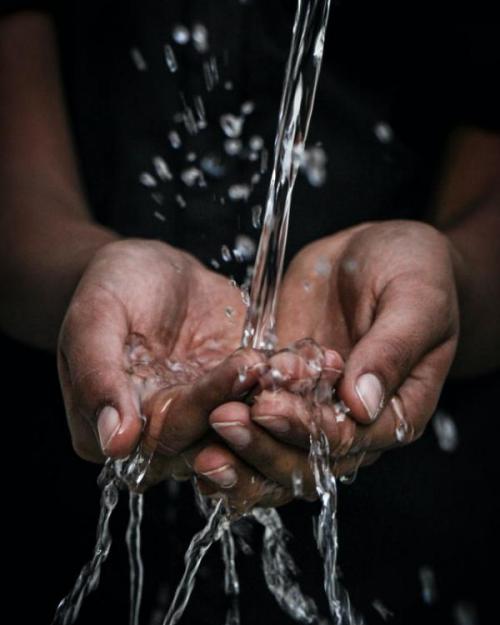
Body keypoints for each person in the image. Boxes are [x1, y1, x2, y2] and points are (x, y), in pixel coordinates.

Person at [1, 2, 499, 623]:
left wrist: (451, 275)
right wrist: (87, 276)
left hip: (413, 505)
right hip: (47, 484)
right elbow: (16, 204)